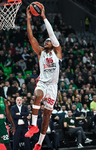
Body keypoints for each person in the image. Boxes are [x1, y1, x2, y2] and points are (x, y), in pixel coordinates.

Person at [25, 4, 62, 150]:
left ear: (52, 44)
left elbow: (52, 34)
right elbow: (31, 37)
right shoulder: (40, 52)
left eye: (48, 41)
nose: (46, 42)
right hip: (43, 83)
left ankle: (39, 142)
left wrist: (44, 17)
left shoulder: (57, 51)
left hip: (53, 86)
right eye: (45, 41)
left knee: (46, 116)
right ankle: (33, 125)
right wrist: (28, 19)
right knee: (36, 96)